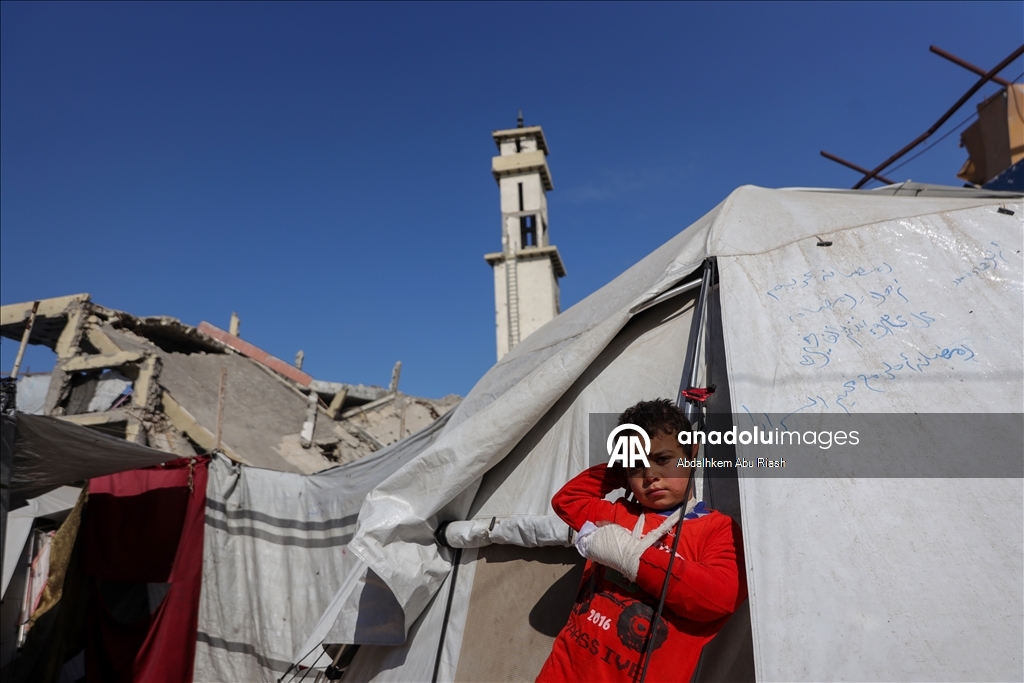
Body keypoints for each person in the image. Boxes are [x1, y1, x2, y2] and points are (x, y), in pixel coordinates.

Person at [536, 399, 747, 682]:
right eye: (637, 465)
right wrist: (620, 469)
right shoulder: (618, 513)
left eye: (662, 460)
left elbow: (719, 598)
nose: (650, 476)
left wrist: (628, 555)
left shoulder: (716, 529)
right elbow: (567, 501)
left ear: (691, 453)